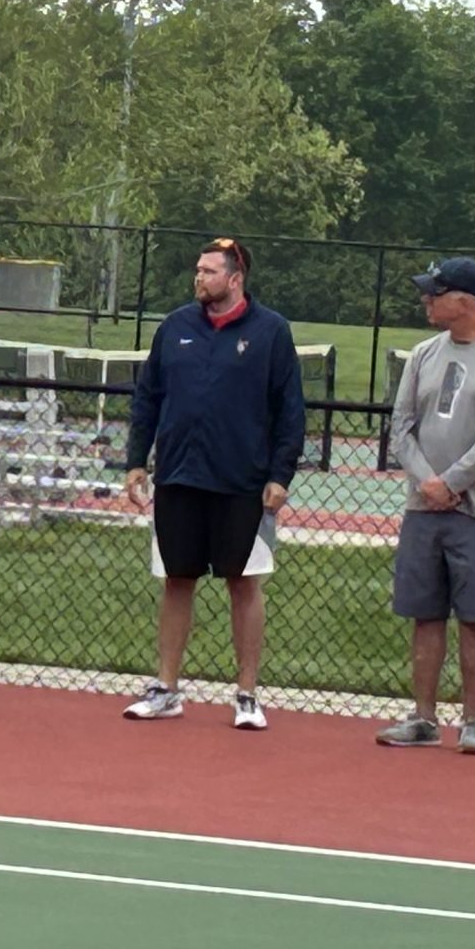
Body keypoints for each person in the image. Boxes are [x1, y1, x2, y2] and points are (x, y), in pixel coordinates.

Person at [121, 236, 304, 730]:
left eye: (208, 271)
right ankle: (166, 689)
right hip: (179, 477)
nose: (199, 278)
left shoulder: (271, 332)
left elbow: (290, 410)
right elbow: (148, 399)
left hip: (243, 482)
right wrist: (137, 461)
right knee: (177, 580)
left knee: (243, 584)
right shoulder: (175, 327)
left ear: (235, 278)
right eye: (198, 270)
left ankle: (246, 694)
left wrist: (280, 475)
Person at [373, 257, 475, 757]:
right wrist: (428, 484)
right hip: (425, 509)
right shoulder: (422, 354)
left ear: (464, 301)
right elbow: (401, 427)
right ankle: (423, 717)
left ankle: (472, 721)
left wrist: (454, 482)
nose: (426, 300)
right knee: (425, 615)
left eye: (435, 293)